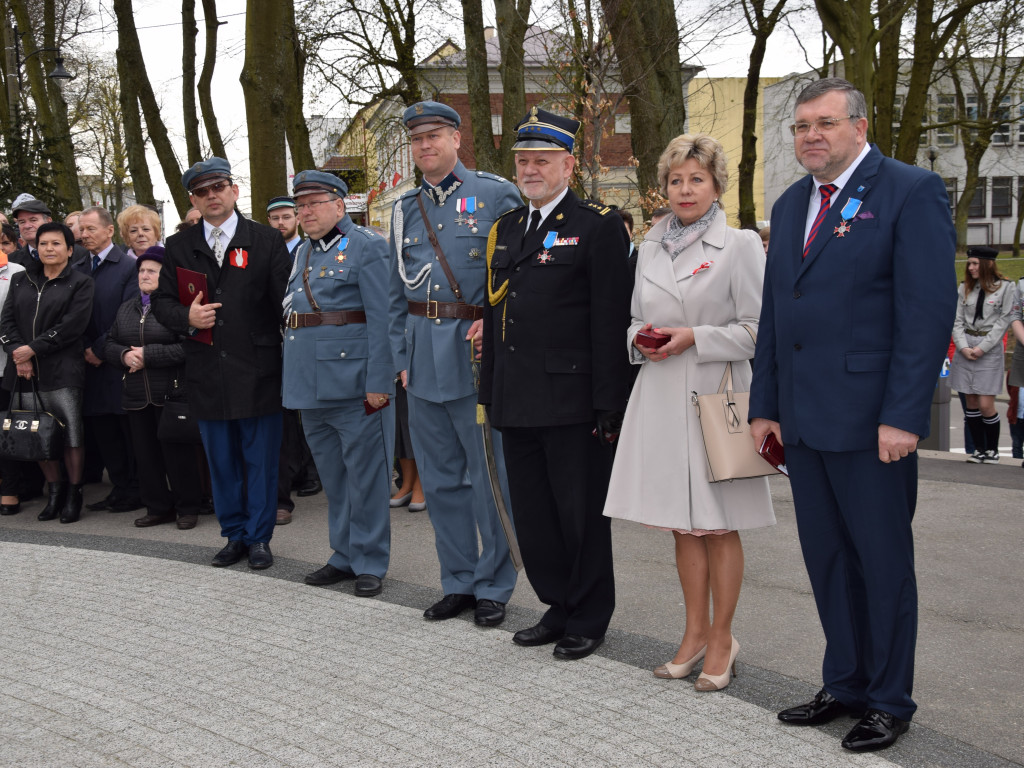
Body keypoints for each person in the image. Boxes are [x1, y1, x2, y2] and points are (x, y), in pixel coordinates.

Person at [749, 78, 956, 752]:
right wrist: (765, 407)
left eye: (826, 123)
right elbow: (778, 317)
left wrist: (903, 416)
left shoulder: (909, 191)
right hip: (805, 423)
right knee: (828, 559)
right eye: (802, 125)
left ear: (860, 127)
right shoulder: (790, 203)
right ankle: (845, 682)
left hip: (873, 424)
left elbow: (925, 315)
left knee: (882, 561)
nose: (812, 135)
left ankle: (889, 699)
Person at [604, 134, 775, 689]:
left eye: (696, 179)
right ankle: (694, 631)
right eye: (676, 180)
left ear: (717, 185)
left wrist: (692, 338)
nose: (685, 189)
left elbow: (757, 332)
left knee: (719, 527)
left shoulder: (742, 245)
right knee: (683, 527)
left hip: (716, 396)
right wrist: (642, 341)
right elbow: (631, 319)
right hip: (660, 395)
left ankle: (723, 637)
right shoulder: (649, 245)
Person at [480, 107, 632, 660]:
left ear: (569, 164)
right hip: (517, 397)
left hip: (573, 401)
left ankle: (590, 615)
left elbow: (609, 321)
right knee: (536, 514)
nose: (530, 170)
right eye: (523, 161)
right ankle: (557, 604)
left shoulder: (598, 225)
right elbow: (497, 319)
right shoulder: (509, 228)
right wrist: (489, 391)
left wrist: (608, 405)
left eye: (542, 160)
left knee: (581, 515)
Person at [388, 100, 522, 627]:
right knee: (441, 481)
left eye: (435, 135)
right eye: (417, 138)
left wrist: (498, 319)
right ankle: (458, 581)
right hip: (422, 359)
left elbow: (520, 271)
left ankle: (495, 583)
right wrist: (401, 358)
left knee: (489, 477)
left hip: (474, 354)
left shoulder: (495, 194)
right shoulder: (402, 209)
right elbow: (398, 291)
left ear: (456, 139)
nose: (425, 146)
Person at [151, 157, 291, 570]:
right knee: (222, 462)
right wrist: (186, 318)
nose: (211, 196)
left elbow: (285, 301)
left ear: (233, 190)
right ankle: (234, 535)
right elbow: (161, 302)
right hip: (207, 370)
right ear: (192, 198)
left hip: (258, 370)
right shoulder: (179, 246)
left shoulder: (265, 239)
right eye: (201, 191)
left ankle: (260, 538)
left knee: (260, 461)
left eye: (218, 187)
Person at [283, 170, 395, 597]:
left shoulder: (366, 246)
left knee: (366, 477)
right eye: (300, 205)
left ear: (338, 204)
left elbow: (384, 320)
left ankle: (370, 560)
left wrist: (380, 381)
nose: (305, 212)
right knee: (334, 477)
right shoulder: (303, 253)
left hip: (355, 384)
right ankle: (344, 554)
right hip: (310, 384)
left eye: (314, 203)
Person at [103, 245, 203, 530]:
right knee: (145, 456)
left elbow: (189, 347)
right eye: (142, 270)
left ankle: (188, 508)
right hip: (135, 394)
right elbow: (109, 343)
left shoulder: (177, 307)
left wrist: (148, 355)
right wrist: (124, 355)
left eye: (152, 271)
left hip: (170, 394)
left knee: (177, 454)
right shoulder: (127, 307)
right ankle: (158, 507)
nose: (144, 275)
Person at [0, 222, 94, 523]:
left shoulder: (80, 282)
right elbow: (6, 323)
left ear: (69, 249)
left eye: (56, 244)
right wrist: (19, 352)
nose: (49, 249)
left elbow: (72, 326)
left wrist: (33, 349)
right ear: (36, 248)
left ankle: (73, 494)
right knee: (37, 433)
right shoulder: (20, 280)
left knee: (70, 436)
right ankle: (54, 493)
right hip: (23, 372)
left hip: (62, 371)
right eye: (43, 244)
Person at [75, 206, 142, 513]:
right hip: (87, 363)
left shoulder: (127, 267)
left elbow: (126, 313)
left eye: (90, 229)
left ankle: (136, 489)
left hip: (116, 361)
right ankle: (119, 486)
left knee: (125, 430)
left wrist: (99, 349)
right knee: (103, 431)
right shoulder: (78, 266)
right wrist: (85, 347)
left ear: (109, 231)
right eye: (81, 229)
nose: (84, 234)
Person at [267, 195, 321, 525]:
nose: (281, 223)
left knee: (312, 410)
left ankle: (312, 471)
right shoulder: (267, 251)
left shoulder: (308, 250)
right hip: (279, 342)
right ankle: (295, 469)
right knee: (288, 412)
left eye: (287, 216)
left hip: (307, 340)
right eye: (274, 218)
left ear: (296, 220)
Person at [950, 246, 1013, 463]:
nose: (971, 267)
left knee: (986, 404)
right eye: (969, 263)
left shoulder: (1006, 288)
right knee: (971, 403)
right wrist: (963, 346)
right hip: (965, 345)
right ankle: (978, 449)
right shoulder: (965, 288)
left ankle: (992, 450)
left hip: (988, 347)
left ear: (987, 264)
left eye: (975, 263)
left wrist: (982, 348)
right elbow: (957, 320)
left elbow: (1004, 321)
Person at [0, 239, 27, 516]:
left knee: (5, 428)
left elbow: (14, 319)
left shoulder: (15, 271)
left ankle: (10, 487)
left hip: (4, 362)